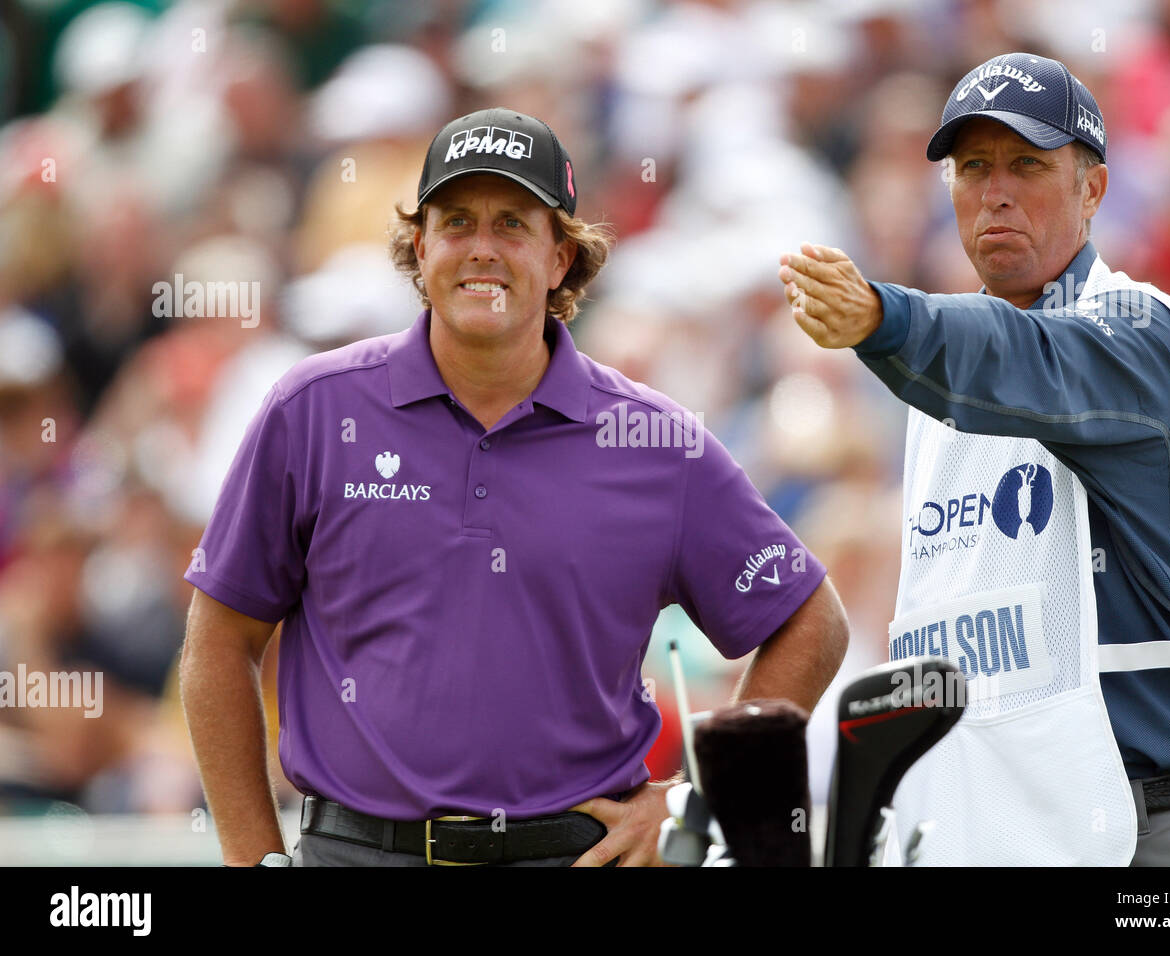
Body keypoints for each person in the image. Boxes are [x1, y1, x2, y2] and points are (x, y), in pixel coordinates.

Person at [180, 107, 849, 867]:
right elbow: (220, 642)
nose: (481, 251)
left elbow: (810, 622)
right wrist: (251, 858)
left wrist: (699, 794)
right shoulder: (311, 410)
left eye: (513, 225)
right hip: (355, 854)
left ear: (561, 256)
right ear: (420, 245)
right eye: (457, 221)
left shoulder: (654, 439)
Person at [780, 53, 1170, 866]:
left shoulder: (1137, 327)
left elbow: (1032, 362)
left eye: (1027, 164)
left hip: (1161, 828)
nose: (995, 191)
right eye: (973, 167)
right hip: (1007, 835)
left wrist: (887, 319)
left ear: (1093, 190)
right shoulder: (935, 396)